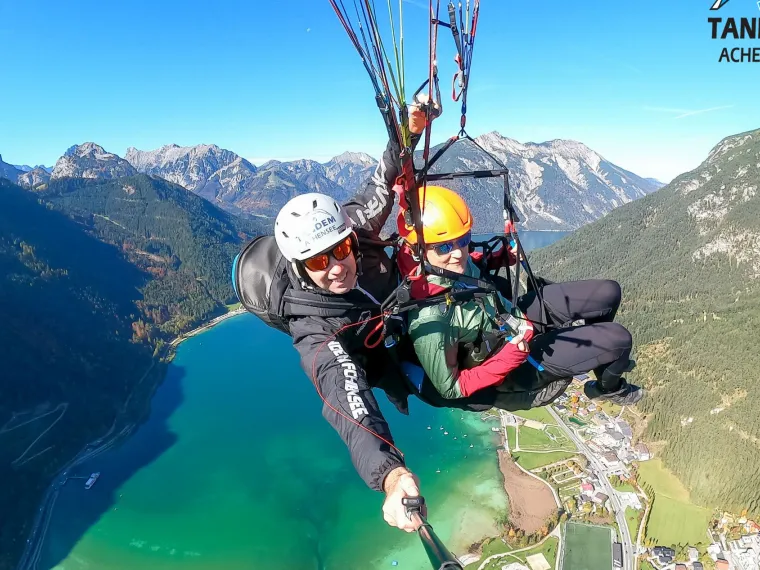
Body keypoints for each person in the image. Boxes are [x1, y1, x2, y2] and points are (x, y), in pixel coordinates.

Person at [271, 100, 440, 534]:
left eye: (342, 250)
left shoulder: (353, 228)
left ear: (349, 236)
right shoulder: (312, 329)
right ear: (297, 268)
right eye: (318, 262)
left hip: (392, 322)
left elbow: (382, 179)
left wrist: (411, 129)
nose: (337, 266)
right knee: (445, 390)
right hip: (377, 354)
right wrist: (391, 475)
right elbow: (345, 397)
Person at [396, 185, 645, 408]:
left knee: (609, 292)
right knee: (619, 340)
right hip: (511, 360)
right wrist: (510, 357)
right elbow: (450, 388)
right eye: (444, 247)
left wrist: (498, 258)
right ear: (417, 249)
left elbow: (468, 265)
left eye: (463, 239)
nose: (458, 252)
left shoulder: (445, 265)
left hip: (511, 317)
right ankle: (608, 389)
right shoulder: (429, 321)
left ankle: (602, 369)